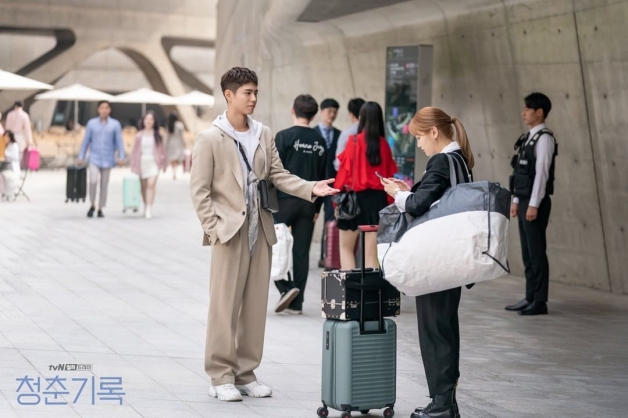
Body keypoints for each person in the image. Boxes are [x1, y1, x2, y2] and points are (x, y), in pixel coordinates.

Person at [189, 67, 338, 402]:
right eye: (247, 92)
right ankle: (220, 375)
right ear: (229, 95)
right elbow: (199, 191)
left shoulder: (263, 133)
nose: (254, 98)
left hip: (262, 228)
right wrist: (214, 229)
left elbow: (278, 175)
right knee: (224, 307)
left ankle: (246, 374)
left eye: (256, 92)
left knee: (255, 307)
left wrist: (310, 187)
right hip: (229, 232)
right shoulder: (210, 138)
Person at [380, 106, 474, 418]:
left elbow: (420, 205)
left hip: (436, 262)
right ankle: (446, 402)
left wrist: (398, 195)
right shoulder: (460, 160)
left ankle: (442, 405)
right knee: (445, 330)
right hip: (451, 260)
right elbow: (438, 200)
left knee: (434, 333)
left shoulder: (441, 160)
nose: (419, 144)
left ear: (434, 132)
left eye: (420, 137)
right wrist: (411, 191)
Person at [272, 94, 328, 315]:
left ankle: (286, 288)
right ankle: (297, 304)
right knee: (301, 253)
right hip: (308, 204)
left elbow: (274, 172)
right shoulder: (320, 141)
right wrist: (317, 207)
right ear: (313, 115)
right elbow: (323, 177)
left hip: (283, 202)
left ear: (292, 110)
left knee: (274, 247)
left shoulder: (283, 136)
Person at [505, 92, 557, 316]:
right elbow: (521, 173)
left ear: (540, 112)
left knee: (536, 252)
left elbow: (541, 175)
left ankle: (540, 301)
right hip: (525, 200)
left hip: (536, 202)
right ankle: (529, 296)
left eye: (528, 109)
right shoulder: (529, 137)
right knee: (527, 252)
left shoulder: (544, 138)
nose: (523, 113)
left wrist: (534, 204)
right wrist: (516, 200)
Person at [335, 101, 397, 269]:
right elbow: (389, 177)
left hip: (354, 202)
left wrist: (336, 200)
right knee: (371, 255)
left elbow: (343, 174)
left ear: (361, 118)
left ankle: (349, 286)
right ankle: (370, 287)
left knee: (346, 249)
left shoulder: (353, 141)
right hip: (378, 202)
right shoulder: (384, 145)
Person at [78, 100, 125, 218]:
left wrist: (121, 157)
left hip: (108, 158)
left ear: (109, 110)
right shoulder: (91, 124)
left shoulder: (115, 125)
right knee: (93, 181)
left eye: (106, 108)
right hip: (94, 157)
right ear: (98, 109)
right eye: (102, 108)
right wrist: (81, 156)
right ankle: (92, 204)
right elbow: (86, 141)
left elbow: (119, 142)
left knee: (104, 183)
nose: (104, 110)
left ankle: (100, 207)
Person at [313, 98, 340, 267]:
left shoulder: (339, 135)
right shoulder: (312, 133)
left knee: (330, 221)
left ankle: (326, 256)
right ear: (321, 112)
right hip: (314, 184)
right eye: (329, 111)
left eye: (335, 112)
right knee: (310, 219)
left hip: (333, 185)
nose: (332, 115)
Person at [130, 111, 167, 219]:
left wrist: (164, 163)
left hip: (154, 162)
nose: (149, 121)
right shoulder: (139, 135)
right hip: (142, 161)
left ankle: (149, 209)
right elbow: (135, 151)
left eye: (151, 119)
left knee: (151, 185)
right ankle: (146, 205)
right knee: (144, 186)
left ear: (154, 121)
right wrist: (133, 164)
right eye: (147, 119)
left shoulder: (158, 135)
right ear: (143, 121)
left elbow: (163, 150)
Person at [334, 98, 365, 171]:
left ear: (351, 114)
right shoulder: (374, 133)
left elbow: (338, 162)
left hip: (350, 175)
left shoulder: (347, 134)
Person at [1, 131, 21, 200]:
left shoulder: (14, 145)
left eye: (6, 137)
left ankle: (3, 192)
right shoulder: (6, 145)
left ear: (10, 137)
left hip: (13, 168)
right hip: (6, 166)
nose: (5, 138)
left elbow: (14, 157)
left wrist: (4, 151)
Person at [166, 113, 186, 179]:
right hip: (178, 143)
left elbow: (167, 137)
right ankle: (175, 170)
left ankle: (173, 171)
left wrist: (166, 145)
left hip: (171, 143)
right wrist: (184, 143)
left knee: (172, 158)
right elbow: (182, 135)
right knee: (176, 158)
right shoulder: (180, 125)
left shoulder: (169, 125)